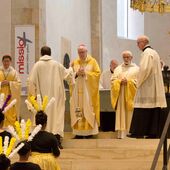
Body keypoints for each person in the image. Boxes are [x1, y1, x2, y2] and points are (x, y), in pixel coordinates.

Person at [28, 46, 72, 146]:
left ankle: (42, 139)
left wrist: (33, 96)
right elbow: (68, 75)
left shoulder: (37, 65)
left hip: (42, 99)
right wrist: (71, 69)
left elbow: (31, 81)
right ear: (50, 53)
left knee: (44, 115)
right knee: (56, 117)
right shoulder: (57, 64)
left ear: (41, 53)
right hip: (56, 98)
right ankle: (56, 140)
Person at [129, 35, 167, 138]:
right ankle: (152, 132)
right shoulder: (154, 52)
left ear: (143, 42)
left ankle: (139, 132)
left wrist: (138, 81)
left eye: (138, 43)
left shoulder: (147, 53)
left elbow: (144, 69)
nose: (137, 45)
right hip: (152, 86)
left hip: (147, 86)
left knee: (143, 107)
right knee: (152, 108)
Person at [70, 44, 101, 138]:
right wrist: (76, 74)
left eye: (83, 52)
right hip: (77, 93)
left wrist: (86, 73)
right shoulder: (74, 62)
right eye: (79, 52)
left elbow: (98, 74)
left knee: (88, 109)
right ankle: (78, 132)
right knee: (77, 109)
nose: (81, 54)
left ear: (86, 52)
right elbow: (69, 75)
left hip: (88, 93)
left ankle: (89, 132)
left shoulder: (93, 61)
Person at [111, 51, 139, 139]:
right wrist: (119, 82)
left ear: (131, 58)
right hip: (121, 95)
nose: (126, 59)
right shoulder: (118, 69)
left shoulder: (137, 69)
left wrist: (129, 82)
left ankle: (131, 132)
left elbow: (140, 81)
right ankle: (122, 134)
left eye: (128, 57)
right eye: (124, 57)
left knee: (130, 113)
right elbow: (112, 80)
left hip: (131, 95)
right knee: (121, 113)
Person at [0, 55, 21, 127]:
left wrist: (9, 83)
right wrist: (0, 84)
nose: (6, 63)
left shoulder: (14, 72)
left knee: (10, 113)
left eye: (7, 61)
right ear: (2, 61)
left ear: (10, 62)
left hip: (10, 98)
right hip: (0, 97)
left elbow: (18, 84)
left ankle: (10, 131)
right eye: (4, 61)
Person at [99, 59, 118, 132]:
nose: (114, 67)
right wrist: (102, 90)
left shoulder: (120, 73)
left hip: (116, 96)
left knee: (115, 113)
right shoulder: (105, 73)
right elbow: (100, 83)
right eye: (113, 65)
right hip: (106, 96)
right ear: (110, 65)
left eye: (116, 65)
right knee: (105, 112)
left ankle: (114, 128)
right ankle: (105, 128)